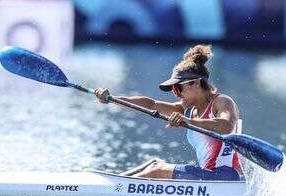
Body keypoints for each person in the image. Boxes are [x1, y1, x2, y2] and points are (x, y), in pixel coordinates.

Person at [94, 45, 243, 181]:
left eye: (178, 88)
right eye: (173, 90)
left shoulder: (222, 101)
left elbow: (226, 126)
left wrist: (188, 121)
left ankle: (110, 188)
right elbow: (150, 104)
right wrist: (112, 99)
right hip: (209, 176)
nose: (176, 94)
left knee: (157, 170)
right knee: (155, 163)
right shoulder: (188, 109)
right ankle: (111, 181)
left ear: (196, 83)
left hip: (226, 176)